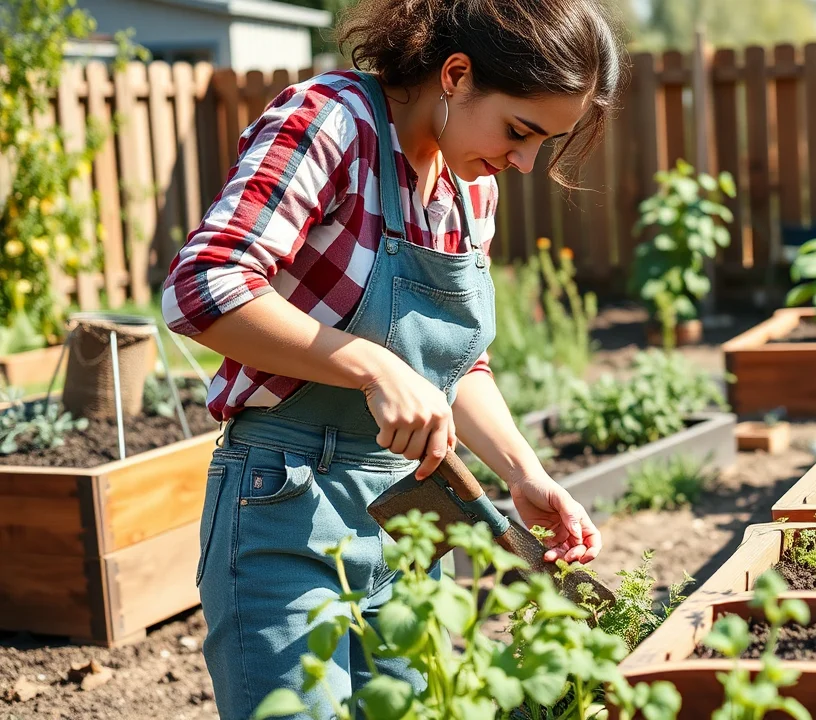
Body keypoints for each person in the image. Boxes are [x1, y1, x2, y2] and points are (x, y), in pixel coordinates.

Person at [161, 0, 622, 716]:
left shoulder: (472, 193)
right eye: (520, 131)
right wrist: (374, 368)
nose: (526, 162)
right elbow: (203, 286)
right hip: (287, 499)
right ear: (456, 74)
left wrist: (526, 475)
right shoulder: (332, 123)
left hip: (407, 523)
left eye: (545, 144)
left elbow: (456, 366)